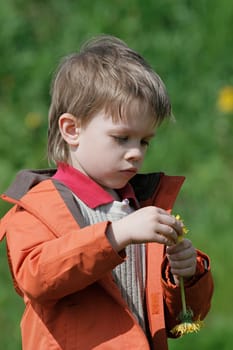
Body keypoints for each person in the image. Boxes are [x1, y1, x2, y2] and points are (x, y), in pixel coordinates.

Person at [0, 35, 213, 350]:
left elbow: (176, 320)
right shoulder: (36, 206)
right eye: (121, 138)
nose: (135, 154)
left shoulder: (138, 206)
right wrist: (114, 237)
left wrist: (186, 275)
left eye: (144, 141)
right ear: (72, 129)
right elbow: (36, 278)